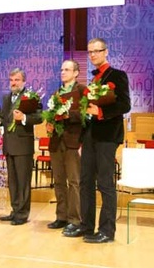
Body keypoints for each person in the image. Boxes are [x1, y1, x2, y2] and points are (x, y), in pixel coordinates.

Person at [63, 38, 131, 243]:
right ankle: (86, 226)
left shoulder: (117, 75)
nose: (93, 55)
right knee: (85, 182)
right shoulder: (93, 80)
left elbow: (125, 105)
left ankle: (107, 231)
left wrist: (100, 111)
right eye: (90, 52)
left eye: (97, 51)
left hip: (108, 136)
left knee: (105, 184)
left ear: (106, 52)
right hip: (91, 135)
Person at [0, 68, 42, 225]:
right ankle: (15, 210)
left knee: (23, 181)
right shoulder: (6, 97)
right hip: (9, 144)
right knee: (13, 181)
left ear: (23, 81)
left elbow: (39, 117)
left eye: (16, 80)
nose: (13, 83)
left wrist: (24, 117)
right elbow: (3, 116)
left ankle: (22, 214)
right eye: (11, 80)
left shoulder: (31, 97)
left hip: (23, 144)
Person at [46, 60, 85, 232]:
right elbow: (51, 115)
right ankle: (61, 216)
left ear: (76, 73)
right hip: (56, 141)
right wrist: (50, 122)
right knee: (59, 181)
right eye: (61, 69)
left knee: (74, 182)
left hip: (73, 142)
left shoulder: (82, 91)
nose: (63, 72)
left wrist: (68, 115)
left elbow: (86, 115)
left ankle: (75, 219)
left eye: (67, 69)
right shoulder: (56, 93)